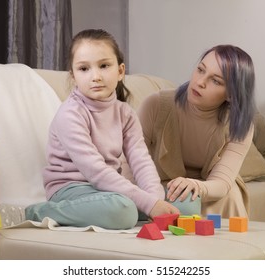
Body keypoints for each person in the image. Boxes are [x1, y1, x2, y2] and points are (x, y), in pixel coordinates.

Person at [25, 29, 182, 230]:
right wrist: (149, 204)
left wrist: (155, 199)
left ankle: (136, 210)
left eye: (104, 66)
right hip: (71, 189)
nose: (95, 76)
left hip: (107, 190)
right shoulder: (70, 114)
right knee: (123, 211)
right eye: (84, 69)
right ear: (73, 76)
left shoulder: (125, 113)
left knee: (185, 204)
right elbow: (96, 171)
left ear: (120, 71)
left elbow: (141, 160)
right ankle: (39, 211)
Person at [137, 45, 256, 218]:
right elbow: (128, 162)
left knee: (230, 195)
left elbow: (221, 183)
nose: (200, 82)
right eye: (200, 70)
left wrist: (197, 186)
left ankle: (227, 244)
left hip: (208, 189)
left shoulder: (240, 126)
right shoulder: (155, 105)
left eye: (215, 81)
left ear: (231, 94)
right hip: (156, 186)